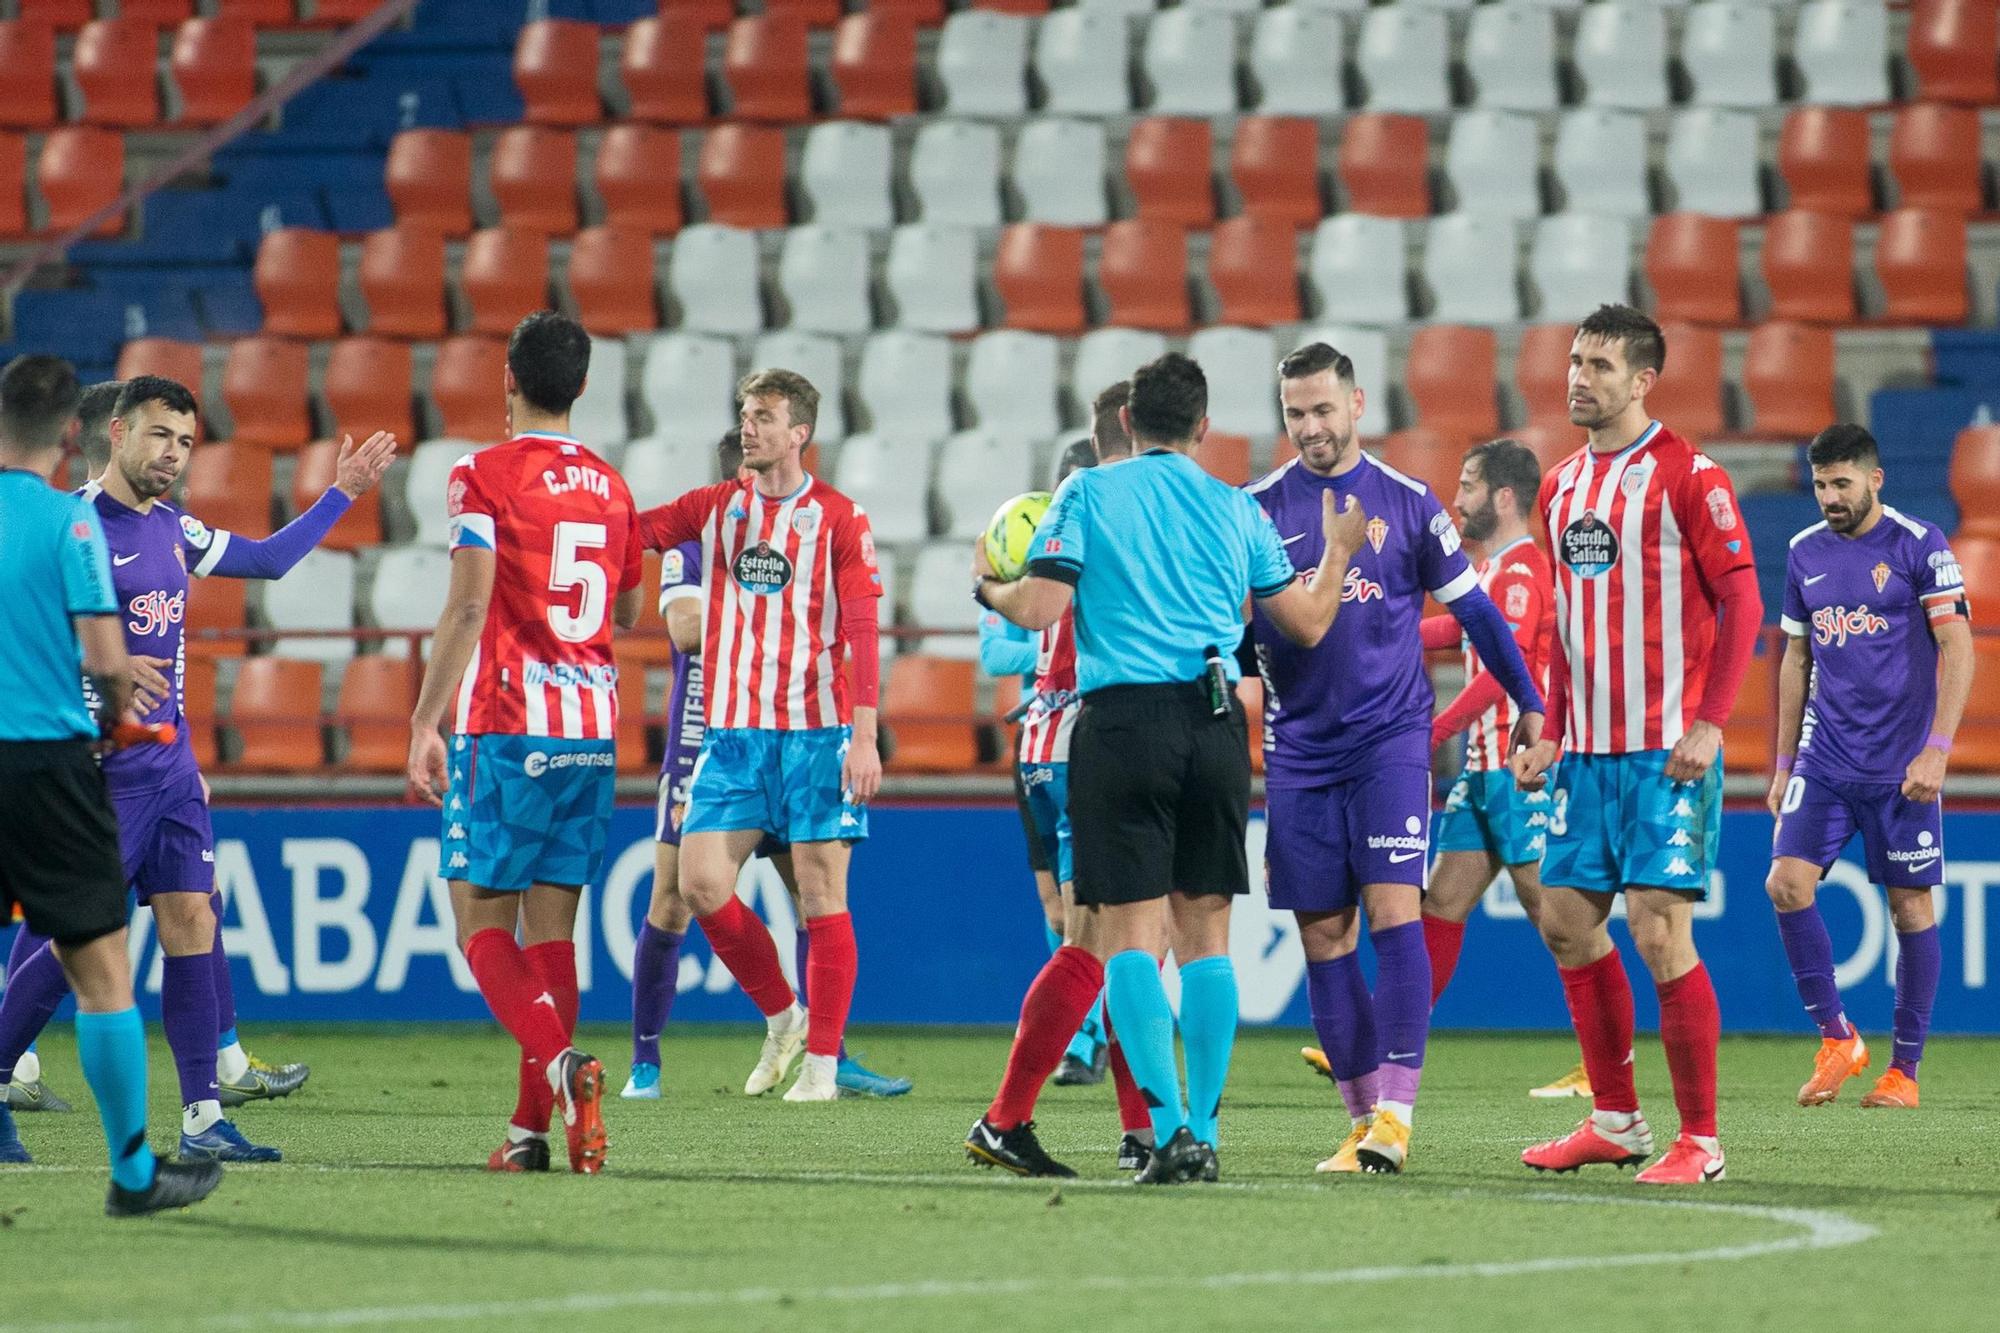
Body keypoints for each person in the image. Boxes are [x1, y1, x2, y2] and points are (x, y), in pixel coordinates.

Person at [968, 352, 1362, 1184]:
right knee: (1207, 940)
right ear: (1203, 427)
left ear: (1124, 423)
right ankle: (1205, 1132)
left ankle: (1166, 1129)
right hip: (1217, 723)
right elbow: (1309, 623)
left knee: (1128, 942)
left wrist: (988, 590)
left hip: (1122, 725)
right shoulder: (1235, 506)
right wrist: (1336, 554)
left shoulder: (1088, 493)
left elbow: (1039, 606)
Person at [0, 375, 392, 1164]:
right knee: (72, 940)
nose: (173, 455)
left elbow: (270, 560)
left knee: (191, 919)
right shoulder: (70, 525)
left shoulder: (176, 529)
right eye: (158, 436)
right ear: (115, 432)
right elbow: (31, 636)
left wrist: (341, 494)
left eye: (184, 441)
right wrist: (95, 667)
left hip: (172, 768)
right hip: (101, 769)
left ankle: (204, 1117)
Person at [1249, 348, 1546, 1177]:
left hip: (1389, 741)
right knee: (1323, 934)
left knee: (1393, 912)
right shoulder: (1255, 509)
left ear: (1357, 403)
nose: (1310, 427)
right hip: (1299, 752)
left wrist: (1529, 701)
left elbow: (1478, 615)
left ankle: (1396, 1116)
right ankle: (1360, 1120)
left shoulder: (1410, 505)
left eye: (1322, 410)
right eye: (1295, 413)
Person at [1511, 304, 1763, 1185]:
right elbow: (1560, 622)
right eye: (1576, 361)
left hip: (1667, 749)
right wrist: (1543, 721)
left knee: (1660, 933)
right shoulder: (1560, 485)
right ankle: (1616, 1120)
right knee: (1566, 920)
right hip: (1583, 753)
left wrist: (1712, 719)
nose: (1580, 377)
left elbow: (1744, 603)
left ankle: (1702, 1138)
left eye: (1601, 366)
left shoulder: (1691, 474)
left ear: (1644, 381)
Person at [405, 312, 642, 1175]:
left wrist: (425, 720)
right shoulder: (615, 489)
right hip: (590, 732)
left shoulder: (481, 475)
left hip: (507, 728)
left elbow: (468, 607)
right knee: (555, 936)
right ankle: (530, 1134)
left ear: (507, 378)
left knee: (481, 929)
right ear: (581, 386)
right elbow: (624, 611)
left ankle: (564, 1063)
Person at [625, 429, 908, 1101]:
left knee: (815, 901)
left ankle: (824, 1051)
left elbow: (857, 619)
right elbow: (686, 629)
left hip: (800, 732)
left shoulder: (823, 522)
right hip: (711, 735)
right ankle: (654, 1059)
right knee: (682, 891)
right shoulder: (697, 535)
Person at [0, 354, 220, 1215]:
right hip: (51, 764)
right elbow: (105, 663)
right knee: (99, 969)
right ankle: (133, 1174)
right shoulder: (73, 526)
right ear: (72, 436)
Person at [966, 385, 1159, 1177]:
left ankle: (1127, 1127)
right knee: (1123, 943)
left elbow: (1026, 614)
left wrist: (984, 587)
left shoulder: (1056, 516)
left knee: (1108, 939)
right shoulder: (1124, 510)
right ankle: (1040, 1118)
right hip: (1094, 742)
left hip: (1045, 743)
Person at [1766, 424, 1972, 1110]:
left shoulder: (1921, 545)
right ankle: (1837, 1037)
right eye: (1821, 483)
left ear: (1874, 479)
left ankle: (1903, 1071)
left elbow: (1958, 648)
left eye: (1842, 483)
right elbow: (1795, 659)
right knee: (1785, 884)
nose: (1829, 496)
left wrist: (1938, 747)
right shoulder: (1803, 553)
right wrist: (1781, 759)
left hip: (1902, 766)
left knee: (1910, 907)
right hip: (1825, 758)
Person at [1420, 439, 1588, 1099]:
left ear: (1503, 497)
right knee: (1444, 900)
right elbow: (1452, 632)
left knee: (1553, 910)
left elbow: (1500, 670)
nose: (1455, 499)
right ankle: (1390, 1040)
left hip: (1520, 770)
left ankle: (1598, 1064)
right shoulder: (1492, 573)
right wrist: (1369, 624)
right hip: (1484, 774)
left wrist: (1438, 728)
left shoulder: (1520, 572)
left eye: (1466, 486)